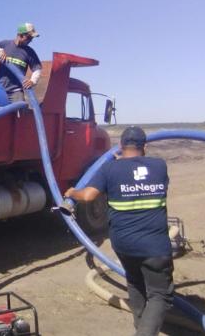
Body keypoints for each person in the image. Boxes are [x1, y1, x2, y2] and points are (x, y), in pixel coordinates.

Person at [65, 126, 173, 336]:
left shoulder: (110, 169)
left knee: (135, 283)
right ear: (146, 147)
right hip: (154, 246)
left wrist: (72, 192)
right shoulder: (160, 166)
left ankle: (140, 328)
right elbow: (139, 174)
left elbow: (87, 196)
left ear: (121, 146)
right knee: (160, 295)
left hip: (124, 243)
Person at [0, 23, 43, 102]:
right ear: (20, 35)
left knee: (20, 110)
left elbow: (37, 68)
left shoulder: (30, 52)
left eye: (31, 38)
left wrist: (33, 81)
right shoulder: (5, 44)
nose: (31, 40)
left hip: (16, 92)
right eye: (29, 37)